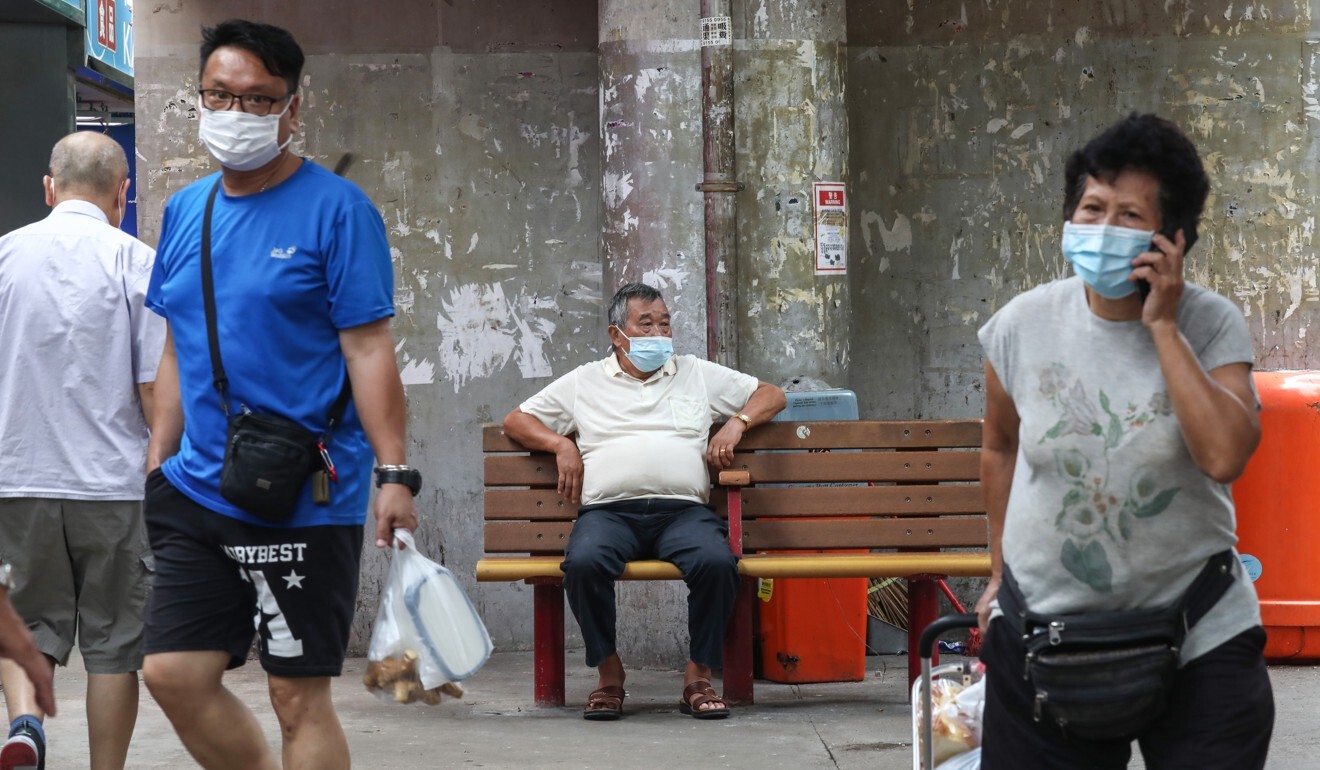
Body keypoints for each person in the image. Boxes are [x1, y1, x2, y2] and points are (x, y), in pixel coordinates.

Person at [140, 19, 419, 770]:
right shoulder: (186, 210)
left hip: (304, 491)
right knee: (171, 672)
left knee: (297, 696)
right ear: (197, 98)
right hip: (197, 486)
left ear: (292, 110)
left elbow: (368, 349)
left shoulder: (338, 210)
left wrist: (394, 474)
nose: (237, 115)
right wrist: (157, 458)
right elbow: (176, 345)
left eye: (259, 101)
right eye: (220, 96)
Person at [974, 113, 1273, 769]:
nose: (1103, 230)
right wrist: (998, 574)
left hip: (1200, 634)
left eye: (1130, 215)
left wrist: (1163, 326)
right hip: (1042, 637)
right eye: (1091, 208)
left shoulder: (1211, 323)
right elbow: (1000, 447)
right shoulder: (1019, 327)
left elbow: (1225, 455)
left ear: (1174, 238)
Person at [503, 282, 786, 721]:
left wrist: (736, 423)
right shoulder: (585, 382)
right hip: (610, 514)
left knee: (716, 561)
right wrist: (560, 444)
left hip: (683, 513)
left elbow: (773, 394)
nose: (659, 333)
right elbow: (516, 420)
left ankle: (697, 676)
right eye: (646, 324)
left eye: (665, 323)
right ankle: (609, 675)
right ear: (618, 335)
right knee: (583, 563)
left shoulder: (695, 373)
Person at [0, 131, 163, 770]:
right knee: (115, 646)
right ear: (123, 193)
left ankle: (23, 723)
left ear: (49, 187)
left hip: (18, 481)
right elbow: (154, 388)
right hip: (115, 488)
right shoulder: (137, 262)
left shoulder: (4, 257)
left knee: (27, 624)